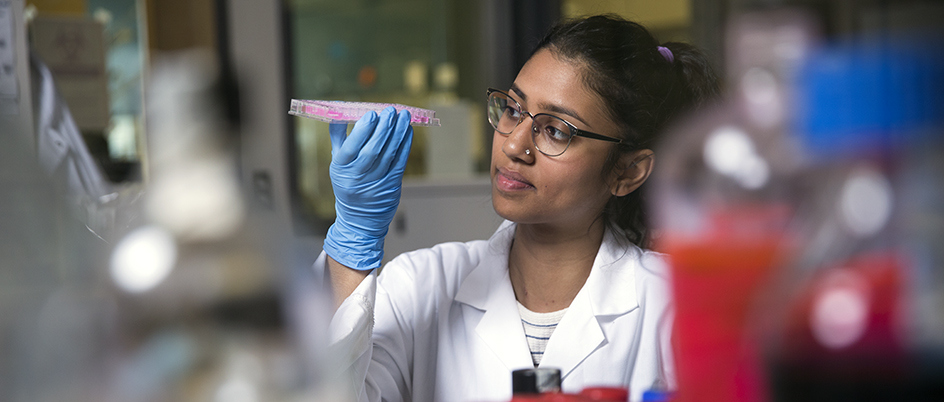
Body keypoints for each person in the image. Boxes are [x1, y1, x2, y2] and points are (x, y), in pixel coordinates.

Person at [317, 14, 720, 402]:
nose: (513, 145)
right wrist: (352, 240)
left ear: (628, 171)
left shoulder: (675, 303)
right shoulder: (420, 286)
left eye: (556, 130)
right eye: (512, 109)